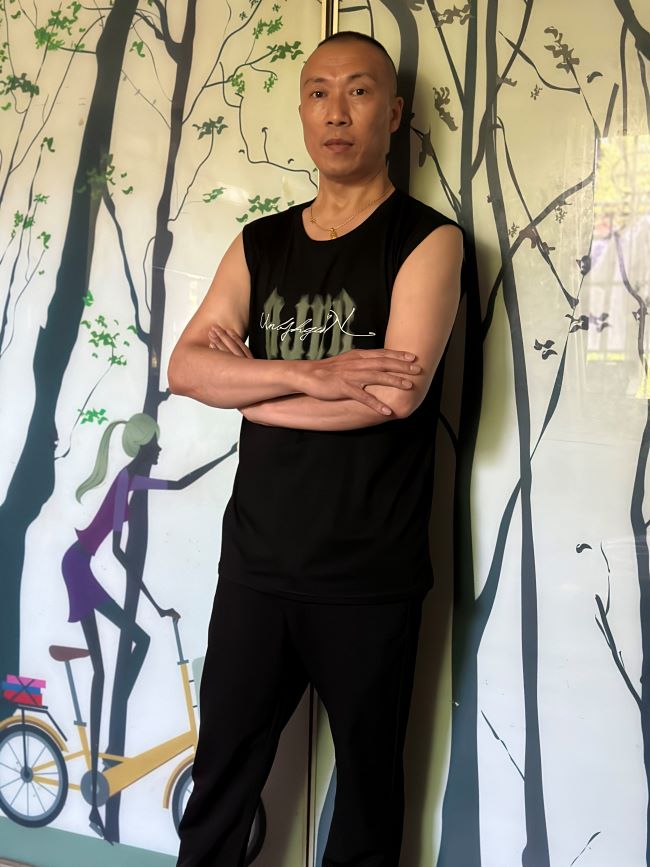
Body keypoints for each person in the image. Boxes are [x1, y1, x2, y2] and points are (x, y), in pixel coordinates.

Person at [168, 30, 463, 867]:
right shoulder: (260, 243)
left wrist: (254, 385)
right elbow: (187, 369)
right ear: (301, 110)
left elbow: (393, 398)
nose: (337, 111)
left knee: (368, 799)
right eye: (319, 92)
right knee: (221, 781)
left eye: (359, 91)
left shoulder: (427, 240)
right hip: (256, 563)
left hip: (369, 573)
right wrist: (316, 374)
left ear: (393, 113)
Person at [63, 413, 235, 840]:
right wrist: (154, 603)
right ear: (144, 446)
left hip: (81, 564)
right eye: (155, 444)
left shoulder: (133, 478)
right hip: (77, 567)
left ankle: (115, 717)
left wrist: (226, 455)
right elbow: (119, 551)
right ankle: (96, 781)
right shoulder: (126, 479)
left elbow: (177, 485)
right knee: (107, 665)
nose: (160, 449)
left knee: (131, 647)